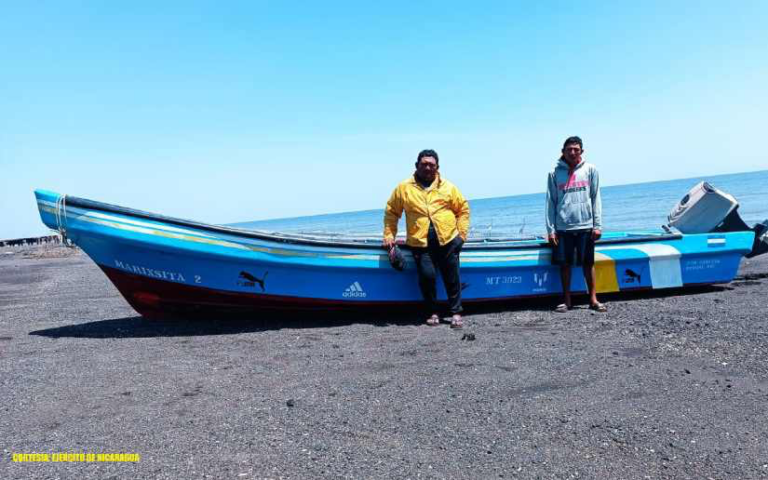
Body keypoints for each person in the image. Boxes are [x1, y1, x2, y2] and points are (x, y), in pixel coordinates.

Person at [384, 149, 470, 328]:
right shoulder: (404, 188)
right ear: (416, 166)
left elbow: (462, 210)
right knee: (427, 277)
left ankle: (456, 313)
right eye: (424, 164)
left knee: (452, 277)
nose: (428, 168)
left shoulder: (448, 187)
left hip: (448, 240)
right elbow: (392, 212)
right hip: (420, 243)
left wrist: (461, 235)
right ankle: (432, 312)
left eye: (432, 165)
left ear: (437, 167)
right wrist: (389, 235)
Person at [545, 136, 607, 313]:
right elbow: (550, 202)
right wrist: (551, 230)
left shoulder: (590, 170)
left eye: (576, 149)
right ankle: (567, 301)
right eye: (569, 149)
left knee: (588, 264)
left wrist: (597, 225)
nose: (572, 152)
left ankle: (593, 299)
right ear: (563, 151)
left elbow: (596, 198)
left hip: (585, 226)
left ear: (581, 151)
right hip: (563, 227)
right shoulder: (554, 173)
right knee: (565, 265)